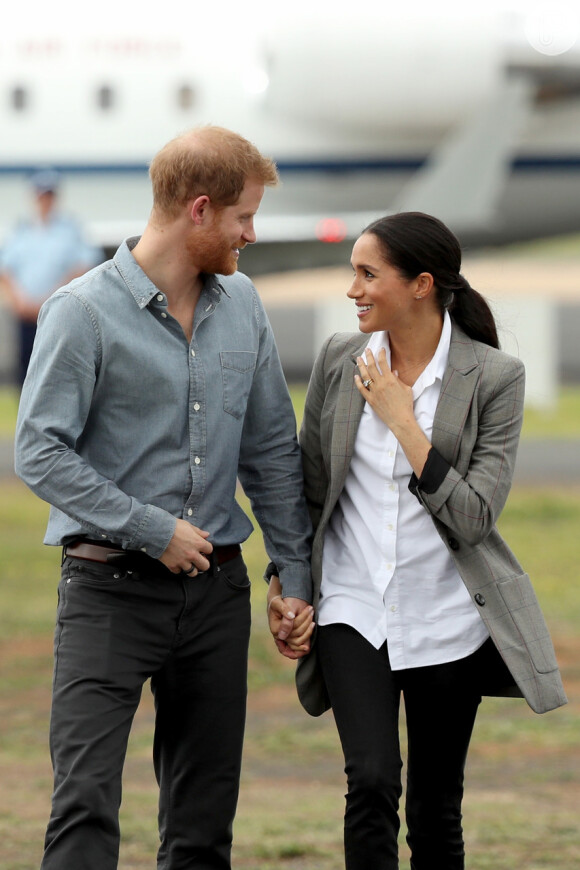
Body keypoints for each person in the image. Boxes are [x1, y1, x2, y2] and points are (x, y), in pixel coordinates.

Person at [14, 125, 314, 870]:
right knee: (84, 810)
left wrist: (292, 574)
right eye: (245, 216)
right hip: (107, 592)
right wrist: (152, 529)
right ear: (201, 211)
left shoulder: (243, 305)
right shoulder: (80, 311)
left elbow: (272, 451)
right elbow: (38, 450)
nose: (253, 232)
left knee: (202, 828)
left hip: (217, 597)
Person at [267, 212, 567, 869]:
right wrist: (283, 583)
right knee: (370, 782)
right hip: (354, 609)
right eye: (354, 273)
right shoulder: (339, 361)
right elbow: (309, 489)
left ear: (422, 284)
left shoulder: (494, 378)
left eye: (368, 274)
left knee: (436, 811)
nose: (354, 289)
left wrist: (404, 422)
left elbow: (475, 516)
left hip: (447, 619)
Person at [0, 168, 101, 387]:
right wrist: (19, 301)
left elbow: (85, 265)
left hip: (58, 312)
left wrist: (53, 296)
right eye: (41, 194)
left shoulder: (70, 229)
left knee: (57, 367)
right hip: (26, 314)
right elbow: (6, 269)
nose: (45, 200)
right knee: (25, 368)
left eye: (49, 195)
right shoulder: (22, 229)